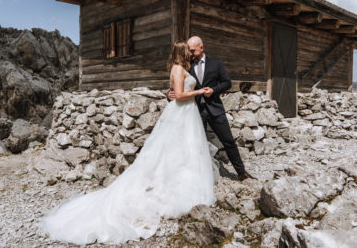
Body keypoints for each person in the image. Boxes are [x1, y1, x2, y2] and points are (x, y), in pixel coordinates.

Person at [39, 41, 216, 245]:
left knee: (185, 151)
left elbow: (176, 92)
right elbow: (179, 95)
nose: (191, 54)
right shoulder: (178, 69)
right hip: (181, 111)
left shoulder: (181, 69)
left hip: (187, 114)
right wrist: (199, 92)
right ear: (182, 53)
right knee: (171, 151)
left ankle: (182, 184)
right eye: (188, 51)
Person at [168, 36, 254, 181]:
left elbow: (227, 83)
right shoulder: (185, 64)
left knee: (228, 141)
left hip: (215, 109)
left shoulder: (216, 64)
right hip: (194, 111)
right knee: (194, 144)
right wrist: (168, 95)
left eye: (193, 50)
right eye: (189, 50)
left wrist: (213, 90)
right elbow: (177, 87)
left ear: (202, 48)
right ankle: (197, 176)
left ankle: (241, 172)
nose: (190, 53)